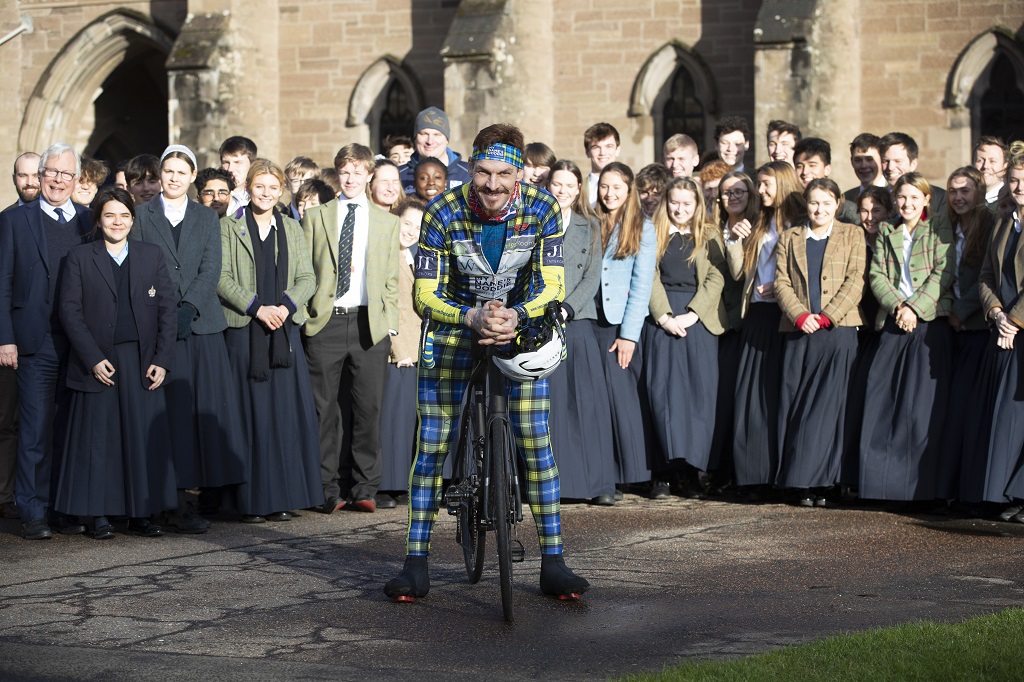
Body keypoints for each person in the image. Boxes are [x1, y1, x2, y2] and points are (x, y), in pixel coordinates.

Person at [384, 122, 588, 601]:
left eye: (503, 174)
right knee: (432, 447)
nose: (492, 185)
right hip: (456, 327)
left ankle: (553, 561)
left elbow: (552, 284)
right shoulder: (441, 212)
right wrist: (471, 316)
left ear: (519, 175)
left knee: (536, 444)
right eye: (482, 172)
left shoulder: (544, 210)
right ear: (469, 167)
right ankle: (415, 562)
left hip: (519, 329)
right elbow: (424, 293)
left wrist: (515, 315)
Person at [132, 145, 247, 530]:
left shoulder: (205, 217)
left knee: (199, 414)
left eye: (182, 172)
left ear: (192, 176)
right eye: (168, 171)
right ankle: (169, 500)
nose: (174, 178)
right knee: (168, 417)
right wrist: (167, 312)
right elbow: (141, 266)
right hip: (158, 325)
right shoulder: (142, 214)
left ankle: (199, 497)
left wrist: (189, 307)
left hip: (201, 327)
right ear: (160, 175)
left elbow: (210, 266)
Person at [55, 186, 177, 539]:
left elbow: (168, 311)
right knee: (99, 442)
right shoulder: (80, 257)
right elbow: (70, 312)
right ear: (98, 219)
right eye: (109, 215)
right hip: (99, 362)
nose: (117, 221)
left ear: (133, 220)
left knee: (140, 440)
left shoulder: (150, 255)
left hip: (141, 362)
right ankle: (100, 515)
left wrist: (162, 360)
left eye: (124, 215)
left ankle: (141, 514)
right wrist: (92, 358)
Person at [218, 158, 321, 522]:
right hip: (246, 331)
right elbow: (222, 277)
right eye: (259, 186)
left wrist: (284, 306)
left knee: (281, 418)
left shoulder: (292, 228)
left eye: (272, 187)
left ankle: (281, 497)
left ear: (281, 191)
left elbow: (308, 277)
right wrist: (258, 308)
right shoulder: (228, 228)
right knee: (249, 418)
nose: (265, 193)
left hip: (284, 331)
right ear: (248, 188)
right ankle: (248, 502)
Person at [0, 142, 92, 540]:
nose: (58, 180)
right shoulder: (16, 221)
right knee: (35, 430)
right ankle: (32, 510)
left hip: (80, 344)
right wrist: (5, 339)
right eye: (51, 172)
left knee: (70, 429)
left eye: (65, 174)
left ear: (76, 180)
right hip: (35, 342)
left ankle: (62, 506)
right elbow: (1, 283)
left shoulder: (90, 221)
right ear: (40, 177)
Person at [302, 143, 400, 514]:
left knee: (367, 407)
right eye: (345, 171)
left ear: (369, 175)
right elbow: (306, 270)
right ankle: (328, 487)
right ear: (337, 174)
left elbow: (391, 280)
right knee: (324, 409)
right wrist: (309, 315)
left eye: (358, 172)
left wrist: (390, 326)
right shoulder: (317, 217)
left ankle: (365, 487)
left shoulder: (386, 222)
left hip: (368, 323)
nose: (351, 178)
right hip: (326, 320)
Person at [860, 172, 953, 503]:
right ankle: (881, 487)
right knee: (882, 403)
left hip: (929, 324)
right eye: (902, 197)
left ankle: (921, 491)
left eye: (915, 197)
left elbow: (943, 272)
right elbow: (877, 275)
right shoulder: (887, 230)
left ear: (927, 199)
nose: (908, 203)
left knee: (921, 409)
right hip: (894, 321)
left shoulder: (939, 228)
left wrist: (914, 308)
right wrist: (899, 306)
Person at [774, 178, 865, 506]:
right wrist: (800, 315)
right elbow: (781, 281)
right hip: (799, 331)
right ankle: (798, 482)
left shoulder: (852, 234)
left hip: (836, 332)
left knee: (829, 409)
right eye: (814, 202)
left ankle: (825, 483)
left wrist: (828, 315)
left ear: (837, 204)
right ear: (806, 203)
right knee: (797, 406)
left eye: (826, 203)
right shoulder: (790, 237)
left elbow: (856, 279)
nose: (820, 209)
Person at [645, 177, 727, 499]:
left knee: (697, 396)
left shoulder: (709, 235)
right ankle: (663, 473)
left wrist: (693, 314)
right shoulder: (652, 233)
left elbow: (716, 276)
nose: (680, 209)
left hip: (699, 319)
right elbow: (648, 275)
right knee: (662, 394)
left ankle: (692, 472)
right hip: (662, 318)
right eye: (674, 202)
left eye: (687, 204)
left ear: (697, 206)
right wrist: (664, 316)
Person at [726, 161, 804, 493]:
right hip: (757, 314)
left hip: (789, 316)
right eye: (759, 184)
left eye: (767, 184)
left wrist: (784, 287)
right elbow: (739, 273)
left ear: (784, 184)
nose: (761, 190)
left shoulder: (801, 222)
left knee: (782, 395)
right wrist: (733, 240)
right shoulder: (757, 222)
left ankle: (783, 476)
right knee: (753, 395)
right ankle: (753, 476)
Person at [545, 159, 616, 505]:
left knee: (587, 403)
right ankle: (551, 484)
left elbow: (593, 275)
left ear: (579, 189)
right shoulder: (533, 224)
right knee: (552, 405)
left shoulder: (590, 226)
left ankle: (597, 484)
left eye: (570, 185)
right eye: (557, 184)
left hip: (579, 320)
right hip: (541, 322)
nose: (563, 190)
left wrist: (568, 307)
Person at [963, 142, 1024, 520]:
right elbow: (987, 275)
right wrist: (997, 312)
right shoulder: (1004, 222)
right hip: (1004, 332)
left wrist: (1015, 319)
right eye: (1015, 181)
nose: (1019, 188)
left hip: (1017, 329)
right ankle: (1010, 495)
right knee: (1008, 417)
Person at [592, 161, 657, 495]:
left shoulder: (643, 227)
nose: (609, 193)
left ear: (629, 190)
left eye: (617, 187)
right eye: (604, 186)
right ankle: (602, 474)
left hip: (621, 324)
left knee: (623, 401)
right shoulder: (589, 220)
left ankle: (630, 473)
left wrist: (629, 335)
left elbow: (642, 284)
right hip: (590, 319)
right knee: (597, 400)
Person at [936, 167, 995, 501]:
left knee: (969, 410)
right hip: (948, 327)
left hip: (975, 328)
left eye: (965, 191)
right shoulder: (946, 227)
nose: (958, 197)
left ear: (979, 192)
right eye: (953, 191)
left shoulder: (988, 226)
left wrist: (962, 312)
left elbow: (986, 276)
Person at [708, 171, 759, 491]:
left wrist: (738, 240)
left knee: (741, 399)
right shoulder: (712, 229)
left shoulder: (755, 228)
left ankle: (736, 471)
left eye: (740, 191)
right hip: (715, 321)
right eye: (727, 193)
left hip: (746, 321)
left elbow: (742, 275)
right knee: (719, 399)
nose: (733, 197)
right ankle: (717, 469)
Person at [377, 198, 425, 504]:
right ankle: (386, 485)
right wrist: (397, 348)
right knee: (392, 420)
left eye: (417, 226)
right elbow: (385, 304)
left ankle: (401, 482)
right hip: (398, 351)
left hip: (416, 347)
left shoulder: (411, 255)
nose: (410, 231)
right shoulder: (384, 254)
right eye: (406, 223)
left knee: (407, 420)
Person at [879, 132, 948, 228]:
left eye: (898, 161)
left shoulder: (939, 198)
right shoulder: (875, 199)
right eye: (885, 161)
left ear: (913, 164)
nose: (890, 167)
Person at [398, 107, 471, 194]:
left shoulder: (468, 174)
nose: (430, 141)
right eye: (424, 134)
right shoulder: (398, 175)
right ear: (415, 138)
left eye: (437, 135)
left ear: (447, 139)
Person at [794, 137, 860, 224]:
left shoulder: (847, 212)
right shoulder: (791, 208)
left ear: (827, 169)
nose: (805, 172)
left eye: (812, 165)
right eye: (799, 166)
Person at [843, 133, 886, 209]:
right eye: (858, 160)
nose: (864, 165)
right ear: (852, 161)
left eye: (869, 159)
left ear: (882, 160)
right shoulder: (845, 200)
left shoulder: (894, 195)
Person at [583, 122, 621, 206]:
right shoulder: (578, 189)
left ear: (617, 150)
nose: (602, 153)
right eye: (596, 147)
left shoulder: (631, 188)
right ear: (587, 152)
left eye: (608, 146)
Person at [220, 136, 258, 218]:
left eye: (238, 162)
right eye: (226, 162)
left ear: (252, 164)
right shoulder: (210, 200)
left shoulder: (262, 199)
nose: (230, 169)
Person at [973, 136, 1008, 207]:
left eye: (992, 161)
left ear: (1005, 168)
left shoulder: (1010, 203)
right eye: (980, 160)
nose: (985, 166)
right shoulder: (964, 201)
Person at [284, 156, 320, 220]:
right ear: (286, 184)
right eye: (296, 181)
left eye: (307, 181)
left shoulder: (324, 215)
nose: (302, 185)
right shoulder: (282, 218)